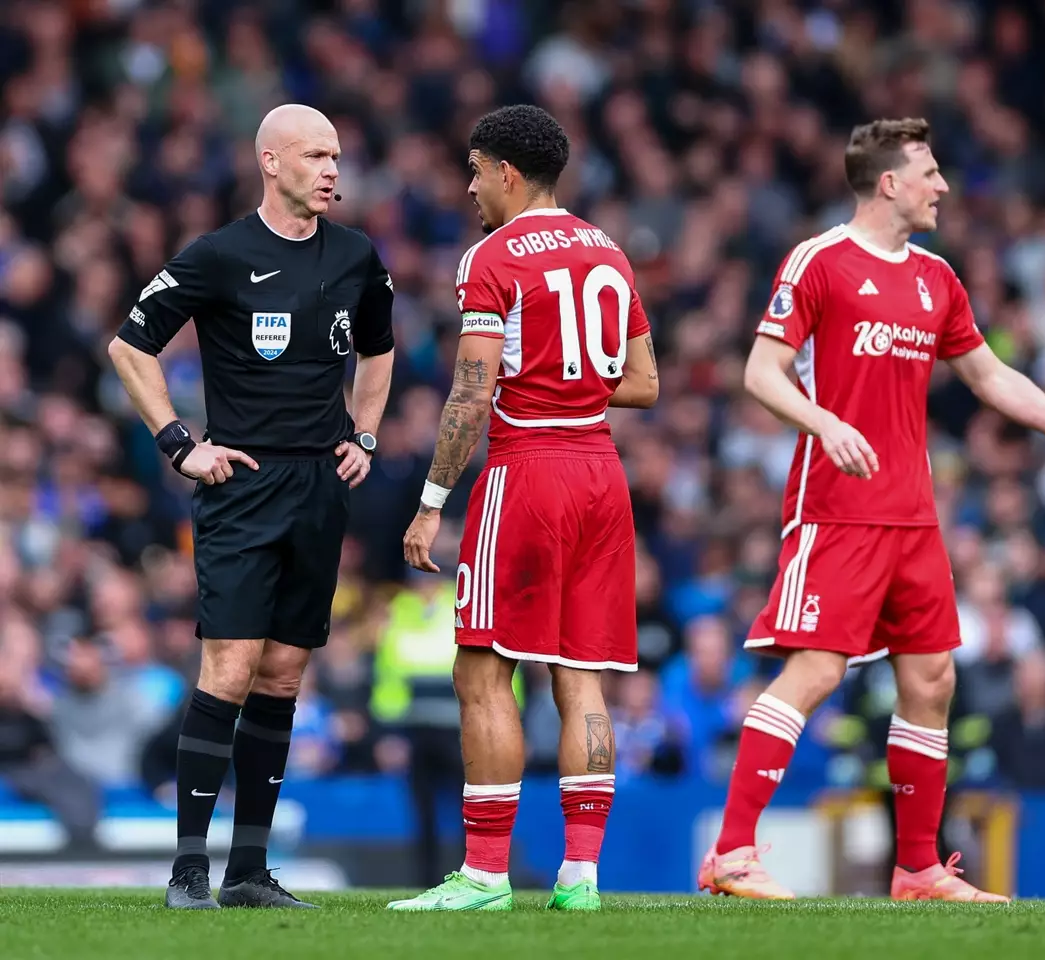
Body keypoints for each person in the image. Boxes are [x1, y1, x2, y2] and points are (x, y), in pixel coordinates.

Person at [699, 117, 1045, 903]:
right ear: (889, 182)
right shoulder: (819, 261)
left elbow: (991, 377)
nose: (944, 187)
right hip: (837, 508)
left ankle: (920, 868)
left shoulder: (937, 279)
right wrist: (824, 421)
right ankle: (731, 852)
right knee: (816, 671)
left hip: (914, 515)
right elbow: (761, 370)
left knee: (931, 677)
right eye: (929, 173)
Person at [108, 103, 395, 909]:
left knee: (282, 674)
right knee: (229, 668)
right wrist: (177, 443)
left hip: (320, 487)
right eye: (315, 155)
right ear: (271, 162)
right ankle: (188, 869)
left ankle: (249, 871)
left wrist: (364, 436)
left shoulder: (357, 256)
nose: (333, 169)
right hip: (240, 485)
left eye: (337, 155)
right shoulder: (219, 255)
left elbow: (380, 351)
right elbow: (129, 346)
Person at [388, 104, 658, 913]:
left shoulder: (491, 258)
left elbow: (470, 397)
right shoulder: (609, 250)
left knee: (481, 670)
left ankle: (483, 876)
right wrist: (571, 381)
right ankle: (581, 878)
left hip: (528, 469)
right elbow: (645, 383)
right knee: (581, 681)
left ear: (507, 171)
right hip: (601, 475)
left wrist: (432, 501)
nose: (470, 189)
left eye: (475, 172)